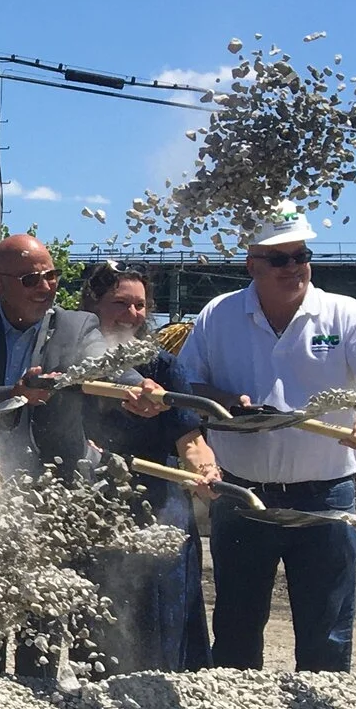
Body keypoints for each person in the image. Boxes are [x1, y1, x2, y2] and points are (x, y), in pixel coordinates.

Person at [173, 211, 356, 671]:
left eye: (301, 256)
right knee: (237, 627)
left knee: (328, 631)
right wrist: (225, 402)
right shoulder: (218, 317)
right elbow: (188, 384)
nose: (294, 267)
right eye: (280, 259)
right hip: (242, 495)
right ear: (252, 265)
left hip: (325, 496)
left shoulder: (344, 314)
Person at [0, 232, 105, 677]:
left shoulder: (80, 327)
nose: (46, 287)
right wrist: (13, 394)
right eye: (31, 279)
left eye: (52, 275)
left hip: (51, 493)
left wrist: (137, 387)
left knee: (39, 614)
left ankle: (35, 698)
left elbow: (108, 365)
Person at [78, 264, 214, 673]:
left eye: (139, 305)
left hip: (159, 503)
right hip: (93, 504)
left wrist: (206, 472)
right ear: (92, 306)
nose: (132, 314)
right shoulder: (70, 361)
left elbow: (190, 441)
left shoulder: (165, 368)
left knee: (162, 614)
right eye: (120, 303)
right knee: (100, 615)